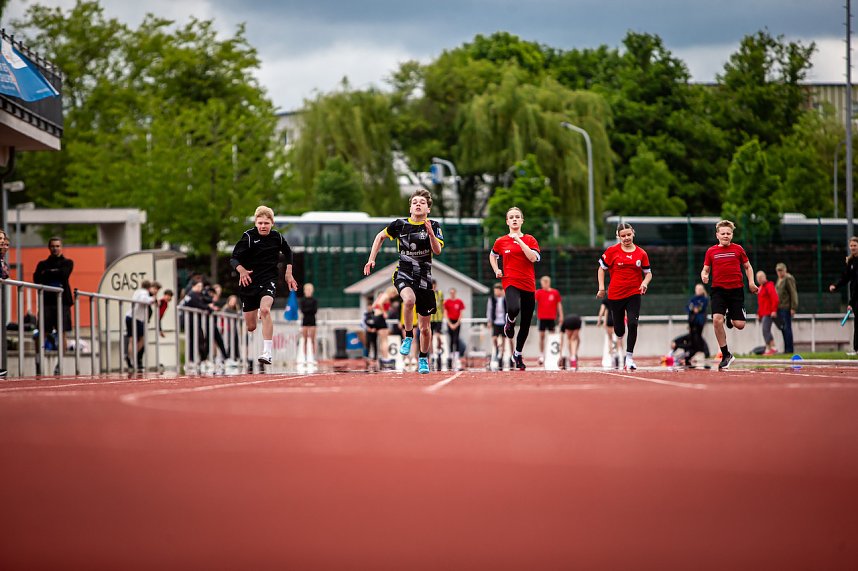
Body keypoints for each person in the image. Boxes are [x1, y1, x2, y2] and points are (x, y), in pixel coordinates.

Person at [364, 189, 444, 375]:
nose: (418, 204)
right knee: (408, 300)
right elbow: (380, 237)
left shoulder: (434, 225)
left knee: (425, 329)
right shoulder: (399, 225)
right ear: (410, 208)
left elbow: (437, 251)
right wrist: (371, 259)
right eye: (415, 202)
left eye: (422, 202)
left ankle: (423, 358)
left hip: (424, 279)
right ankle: (408, 336)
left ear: (428, 209)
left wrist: (431, 234)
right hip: (404, 273)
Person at [230, 205, 298, 366]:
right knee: (251, 326)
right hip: (249, 282)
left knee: (266, 310)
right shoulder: (248, 237)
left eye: (266, 223)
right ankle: (258, 309)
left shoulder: (277, 237)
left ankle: (267, 352)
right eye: (260, 223)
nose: (263, 226)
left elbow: (288, 252)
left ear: (272, 223)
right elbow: (233, 258)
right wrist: (242, 271)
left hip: (268, 279)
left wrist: (288, 272)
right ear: (255, 223)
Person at [701, 220, 759, 370]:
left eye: (728, 233)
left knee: (739, 325)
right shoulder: (711, 251)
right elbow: (705, 269)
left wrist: (751, 283)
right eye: (723, 233)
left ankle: (732, 314)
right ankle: (726, 354)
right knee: (716, 320)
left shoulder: (738, 249)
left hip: (736, 290)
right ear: (717, 235)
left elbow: (748, 267)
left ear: (732, 235)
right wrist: (704, 275)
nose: (726, 236)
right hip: (718, 290)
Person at [490, 207, 540, 371]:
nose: (514, 219)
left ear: (522, 220)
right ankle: (510, 321)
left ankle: (517, 354)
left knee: (526, 323)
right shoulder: (501, 241)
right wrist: (496, 269)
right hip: (510, 280)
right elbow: (493, 255)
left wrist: (519, 240)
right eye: (511, 217)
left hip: (528, 283)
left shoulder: (530, 239)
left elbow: (532, 258)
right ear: (507, 221)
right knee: (513, 308)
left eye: (517, 217)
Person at [597, 222, 652, 371]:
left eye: (628, 235)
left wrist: (644, 283)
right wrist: (601, 288)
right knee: (619, 330)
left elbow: (648, 273)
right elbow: (601, 269)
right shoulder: (612, 251)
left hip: (634, 293)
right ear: (618, 236)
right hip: (615, 295)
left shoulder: (641, 253)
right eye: (623, 236)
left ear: (633, 233)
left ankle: (629, 358)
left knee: (633, 323)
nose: (626, 238)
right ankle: (619, 335)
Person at [33, 237, 74, 350]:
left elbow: (64, 274)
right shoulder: (42, 264)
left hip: (63, 302)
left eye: (57, 246)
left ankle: (62, 360)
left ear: (61, 247)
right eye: (52, 246)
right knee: (42, 331)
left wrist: (47, 273)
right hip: (46, 302)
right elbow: (37, 279)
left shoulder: (68, 262)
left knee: (62, 332)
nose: (55, 248)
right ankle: (39, 358)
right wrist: (56, 272)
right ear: (49, 248)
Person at [829, 236, 858, 355]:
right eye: (851, 246)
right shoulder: (850, 261)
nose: (853, 248)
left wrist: (851, 302)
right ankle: (856, 349)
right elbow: (845, 278)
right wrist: (835, 285)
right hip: (856, 298)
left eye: (855, 245)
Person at [125, 280, 160, 371]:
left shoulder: (138, 291)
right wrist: (153, 299)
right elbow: (144, 300)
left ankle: (130, 357)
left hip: (130, 316)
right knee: (141, 339)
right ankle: (132, 356)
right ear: (149, 288)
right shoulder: (144, 293)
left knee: (132, 339)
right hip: (136, 318)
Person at [535, 275, 563, 365]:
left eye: (544, 283)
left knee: (552, 336)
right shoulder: (539, 292)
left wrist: (561, 316)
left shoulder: (555, 293)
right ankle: (541, 354)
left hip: (551, 318)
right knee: (541, 336)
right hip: (542, 317)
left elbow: (559, 304)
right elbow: (533, 301)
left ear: (548, 283)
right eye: (542, 283)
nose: (543, 285)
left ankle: (552, 354)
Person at [775, 262, 798, 355]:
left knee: (787, 328)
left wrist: (793, 307)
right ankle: (786, 349)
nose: (779, 272)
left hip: (786, 307)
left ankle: (789, 349)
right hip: (780, 308)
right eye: (778, 270)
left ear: (785, 270)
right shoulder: (779, 279)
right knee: (783, 329)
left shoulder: (788, 278)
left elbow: (793, 293)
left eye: (781, 270)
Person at [755, 270, 779, 355]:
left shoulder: (769, 285)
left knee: (766, 330)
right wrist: (759, 313)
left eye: (761, 277)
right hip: (763, 313)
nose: (759, 279)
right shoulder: (760, 288)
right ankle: (768, 348)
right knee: (765, 330)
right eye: (758, 278)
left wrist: (774, 310)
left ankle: (773, 347)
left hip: (768, 312)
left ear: (765, 277)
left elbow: (775, 298)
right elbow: (760, 302)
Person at [686, 283, 710, 364]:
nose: (698, 291)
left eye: (699, 289)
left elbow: (700, 308)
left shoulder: (704, 299)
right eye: (697, 289)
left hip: (699, 321)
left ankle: (702, 352)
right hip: (692, 321)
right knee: (693, 337)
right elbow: (689, 307)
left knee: (698, 336)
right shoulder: (693, 298)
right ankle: (696, 352)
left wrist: (695, 308)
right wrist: (693, 308)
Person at [485, 283, 507, 366]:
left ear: (501, 291)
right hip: (496, 321)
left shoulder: (505, 299)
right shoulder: (492, 299)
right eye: (495, 291)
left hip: (504, 321)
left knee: (504, 338)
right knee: (494, 338)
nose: (496, 292)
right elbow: (489, 309)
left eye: (497, 291)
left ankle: (502, 353)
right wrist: (489, 321)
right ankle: (497, 348)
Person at [443, 287, 465, 370]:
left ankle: (457, 356)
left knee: (456, 339)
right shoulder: (447, 302)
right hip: (450, 322)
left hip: (457, 322)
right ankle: (451, 356)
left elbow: (461, 313)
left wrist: (456, 324)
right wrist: (450, 324)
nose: (452, 294)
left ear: (455, 293)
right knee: (451, 339)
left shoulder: (459, 302)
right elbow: (445, 313)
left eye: (453, 292)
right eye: (451, 293)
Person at [596, 297, 619, 368]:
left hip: (609, 320)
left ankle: (612, 356)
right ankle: (616, 354)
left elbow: (602, 310)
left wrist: (599, 321)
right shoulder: (617, 297)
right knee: (617, 337)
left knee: (610, 339)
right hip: (617, 318)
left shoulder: (605, 300)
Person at [299, 282, 319, 364]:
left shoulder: (314, 300)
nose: (308, 291)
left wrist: (308, 310)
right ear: (305, 291)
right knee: (305, 340)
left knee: (313, 340)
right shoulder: (302, 300)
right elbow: (302, 310)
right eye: (307, 290)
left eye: (310, 290)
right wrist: (309, 310)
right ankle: (305, 358)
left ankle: (313, 357)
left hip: (312, 321)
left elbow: (315, 310)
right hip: (305, 321)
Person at [430, 280, 445, 368]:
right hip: (430, 319)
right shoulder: (428, 294)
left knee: (438, 335)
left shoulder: (440, 293)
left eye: (434, 285)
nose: (433, 287)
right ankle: (432, 355)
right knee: (430, 337)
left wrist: (443, 316)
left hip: (438, 318)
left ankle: (439, 350)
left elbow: (442, 306)